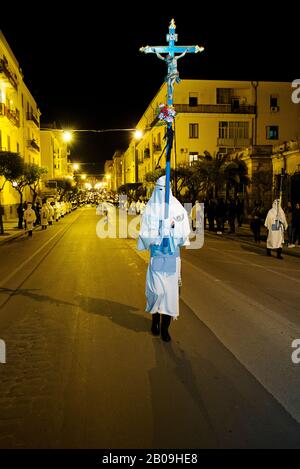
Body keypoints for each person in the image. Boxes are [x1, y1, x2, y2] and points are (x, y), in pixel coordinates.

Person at [137, 175, 190, 342]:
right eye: (160, 190)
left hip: (172, 258)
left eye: (165, 190)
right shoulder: (150, 209)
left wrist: (172, 227)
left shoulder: (178, 208)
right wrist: (159, 231)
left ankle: (165, 329)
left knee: (170, 294)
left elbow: (184, 233)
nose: (162, 193)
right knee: (157, 291)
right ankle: (155, 320)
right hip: (157, 257)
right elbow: (145, 233)